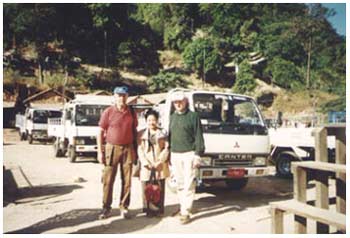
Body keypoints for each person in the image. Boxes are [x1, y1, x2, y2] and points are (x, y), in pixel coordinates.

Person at [97, 86, 138, 220]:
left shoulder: (132, 112)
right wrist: (100, 151)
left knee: (127, 181)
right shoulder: (108, 112)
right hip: (111, 148)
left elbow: (135, 131)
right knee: (108, 180)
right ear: (114, 97)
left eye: (124, 95)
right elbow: (100, 132)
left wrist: (136, 150)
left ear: (127, 97)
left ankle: (124, 206)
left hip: (128, 148)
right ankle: (106, 207)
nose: (121, 98)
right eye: (119, 95)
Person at [169, 91, 205, 224]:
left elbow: (198, 136)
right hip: (175, 154)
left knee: (189, 184)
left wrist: (197, 155)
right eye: (175, 102)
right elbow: (170, 136)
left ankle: (185, 212)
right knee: (179, 184)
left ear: (186, 101)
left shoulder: (193, 116)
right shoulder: (172, 117)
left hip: (189, 154)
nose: (178, 104)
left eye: (180, 101)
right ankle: (182, 207)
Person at [138, 109, 169, 217]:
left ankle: (159, 209)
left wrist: (160, 161)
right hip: (147, 165)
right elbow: (140, 150)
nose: (152, 122)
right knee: (146, 187)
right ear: (146, 121)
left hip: (159, 164)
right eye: (149, 120)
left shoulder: (163, 133)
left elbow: (166, 148)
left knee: (159, 187)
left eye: (154, 120)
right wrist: (145, 162)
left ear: (157, 120)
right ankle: (148, 209)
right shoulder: (141, 134)